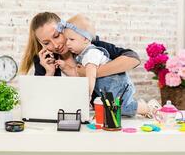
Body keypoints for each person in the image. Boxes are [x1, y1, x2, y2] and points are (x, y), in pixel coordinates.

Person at [19, 12, 159, 117]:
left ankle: (146, 107)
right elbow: (40, 103)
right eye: (46, 42)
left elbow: (133, 59)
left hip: (98, 116)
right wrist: (49, 73)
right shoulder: (44, 60)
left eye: (56, 36)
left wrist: (89, 72)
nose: (55, 45)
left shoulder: (90, 46)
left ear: (64, 30)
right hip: (69, 118)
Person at [55, 14, 144, 116]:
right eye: (66, 40)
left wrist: (87, 95)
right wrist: (65, 67)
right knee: (111, 111)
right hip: (109, 90)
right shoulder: (81, 56)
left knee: (123, 108)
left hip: (119, 86)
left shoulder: (91, 53)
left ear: (86, 39)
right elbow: (79, 74)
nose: (67, 44)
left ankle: (148, 107)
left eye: (71, 39)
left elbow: (90, 75)